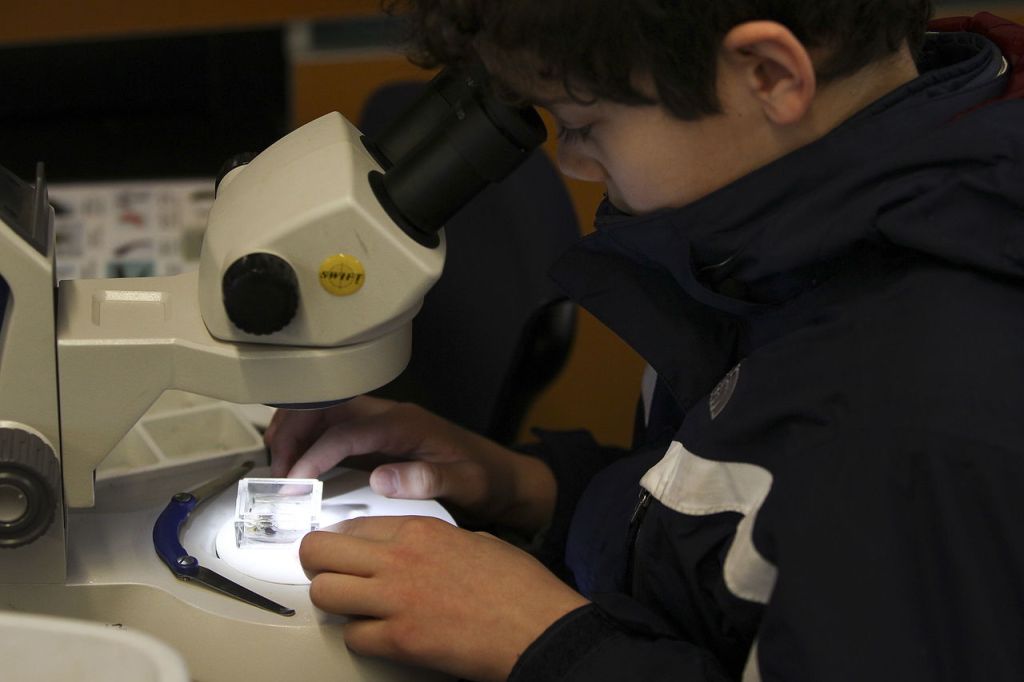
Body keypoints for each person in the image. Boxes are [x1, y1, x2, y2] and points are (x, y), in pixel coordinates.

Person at [265, 2, 1024, 680]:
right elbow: (743, 530)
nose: (570, 163)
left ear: (766, 74)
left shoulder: (924, 423)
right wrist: (526, 488)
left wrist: (546, 643)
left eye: (585, 125)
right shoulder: (796, 233)